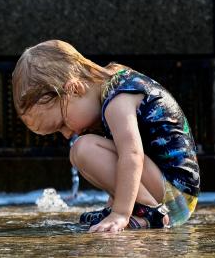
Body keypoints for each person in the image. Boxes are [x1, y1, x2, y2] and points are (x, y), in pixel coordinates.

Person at [11, 39, 200, 233]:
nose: (67, 134)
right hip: (166, 188)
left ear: (74, 89)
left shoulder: (118, 100)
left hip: (177, 196)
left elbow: (132, 156)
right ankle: (139, 209)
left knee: (83, 148)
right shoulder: (111, 86)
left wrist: (120, 214)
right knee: (81, 150)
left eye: (62, 124)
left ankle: (149, 212)